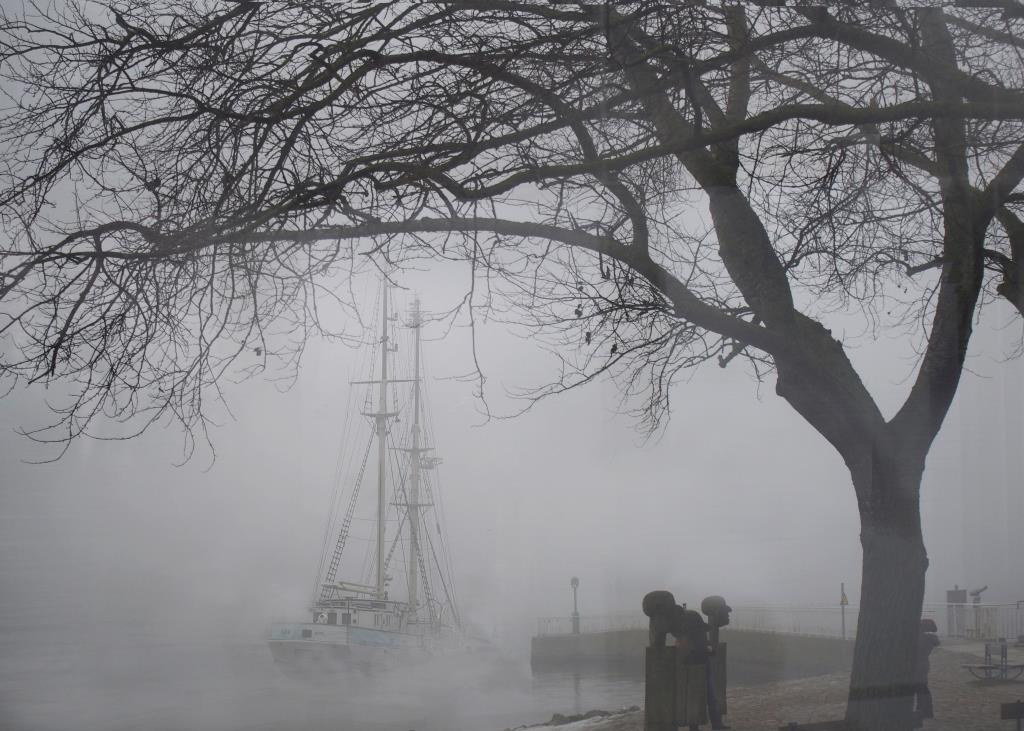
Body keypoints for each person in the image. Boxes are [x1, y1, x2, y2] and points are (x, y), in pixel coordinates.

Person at [914, 618, 940, 723]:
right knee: (922, 688)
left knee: (921, 688)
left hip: (917, 666)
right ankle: (925, 711)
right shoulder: (929, 639)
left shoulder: (922, 639)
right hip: (922, 665)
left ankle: (924, 711)